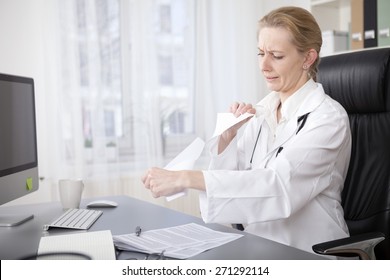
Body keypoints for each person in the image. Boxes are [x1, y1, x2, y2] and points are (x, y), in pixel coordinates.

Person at [142, 6, 351, 254]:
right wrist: (228, 139)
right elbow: (232, 195)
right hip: (260, 246)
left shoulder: (328, 118)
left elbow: (277, 187)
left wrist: (188, 177)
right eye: (261, 53)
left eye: (276, 55)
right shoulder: (261, 112)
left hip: (311, 251)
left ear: (307, 58)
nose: (263, 65)